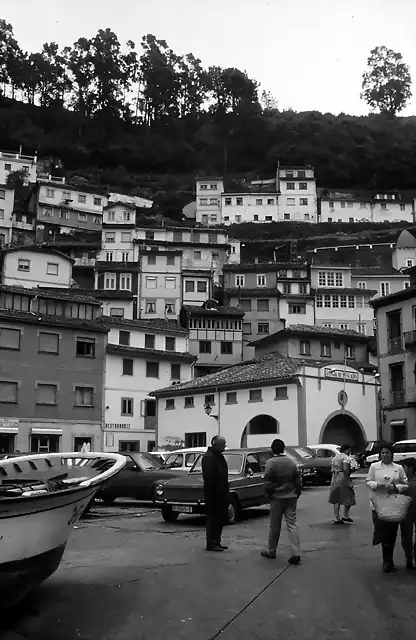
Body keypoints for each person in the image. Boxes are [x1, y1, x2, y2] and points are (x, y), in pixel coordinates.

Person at [366, 443, 408, 573]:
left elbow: (405, 483)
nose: (385, 455)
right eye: (382, 453)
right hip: (377, 505)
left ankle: (389, 561)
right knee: (382, 534)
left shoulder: (398, 468)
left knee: (391, 534)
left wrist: (395, 487)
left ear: (392, 454)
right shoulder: (374, 466)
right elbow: (368, 481)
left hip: (392, 504)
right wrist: (376, 485)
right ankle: (386, 560)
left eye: (387, 453)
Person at [261, 438, 302, 565]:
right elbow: (298, 480)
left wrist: (268, 495)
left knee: (274, 525)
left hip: (276, 498)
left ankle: (271, 550)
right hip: (291, 496)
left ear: (272, 449)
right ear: (283, 448)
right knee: (292, 524)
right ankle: (296, 553)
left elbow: (267, 482)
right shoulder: (291, 462)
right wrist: (297, 492)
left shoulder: (271, 463)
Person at [202, 435, 229, 552]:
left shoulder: (219, 456)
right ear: (216, 444)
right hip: (213, 495)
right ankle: (211, 543)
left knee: (220, 518)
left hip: (221, 493)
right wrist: (217, 493)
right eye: (223, 444)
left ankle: (217, 541)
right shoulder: (209, 458)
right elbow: (209, 478)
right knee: (213, 518)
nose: (225, 446)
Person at [389, 457, 416, 570]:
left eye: (404, 467)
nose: (402, 469)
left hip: (410, 512)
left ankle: (410, 559)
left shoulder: (411, 483)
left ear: (411, 468)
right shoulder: (402, 481)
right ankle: (409, 560)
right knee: (406, 537)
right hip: (406, 513)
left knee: (407, 537)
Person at [328, 444, 356, 524]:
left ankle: (337, 518)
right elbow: (346, 469)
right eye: (349, 450)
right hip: (342, 477)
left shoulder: (335, 458)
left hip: (335, 477)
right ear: (346, 450)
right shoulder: (345, 458)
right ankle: (345, 515)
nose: (350, 452)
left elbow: (332, 469)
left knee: (336, 497)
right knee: (349, 495)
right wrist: (349, 479)